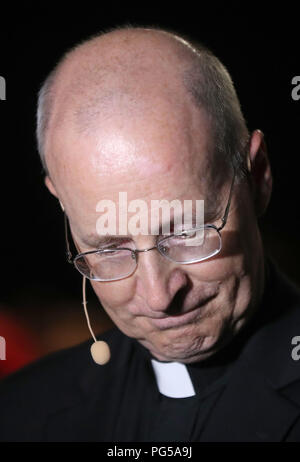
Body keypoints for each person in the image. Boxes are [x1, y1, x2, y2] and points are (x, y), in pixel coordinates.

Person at [0, 25, 300, 442]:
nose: (159, 297)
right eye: (110, 248)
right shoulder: (18, 416)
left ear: (258, 178)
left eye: (187, 232)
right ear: (62, 203)